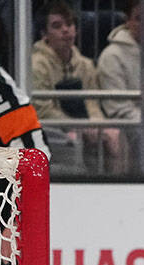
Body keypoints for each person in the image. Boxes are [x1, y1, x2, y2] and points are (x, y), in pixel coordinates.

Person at [31, 0, 122, 173]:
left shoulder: (86, 65)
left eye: (70, 24)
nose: (66, 30)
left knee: (114, 134)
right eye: (57, 26)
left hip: (82, 124)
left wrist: (96, 124)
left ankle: (119, 185)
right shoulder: (36, 65)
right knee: (74, 138)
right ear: (44, 34)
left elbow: (93, 104)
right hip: (50, 127)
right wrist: (78, 126)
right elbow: (43, 110)